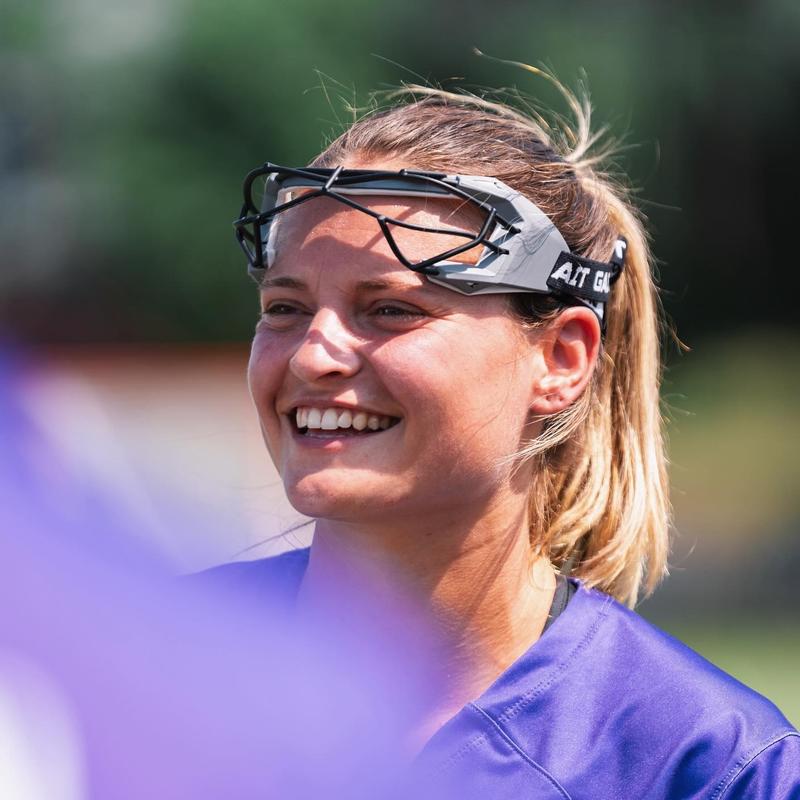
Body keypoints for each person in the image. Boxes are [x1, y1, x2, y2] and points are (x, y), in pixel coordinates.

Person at [225, 78, 800, 798]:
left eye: (392, 310)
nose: (313, 355)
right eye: (284, 307)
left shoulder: (709, 766)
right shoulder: (130, 672)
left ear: (560, 359)